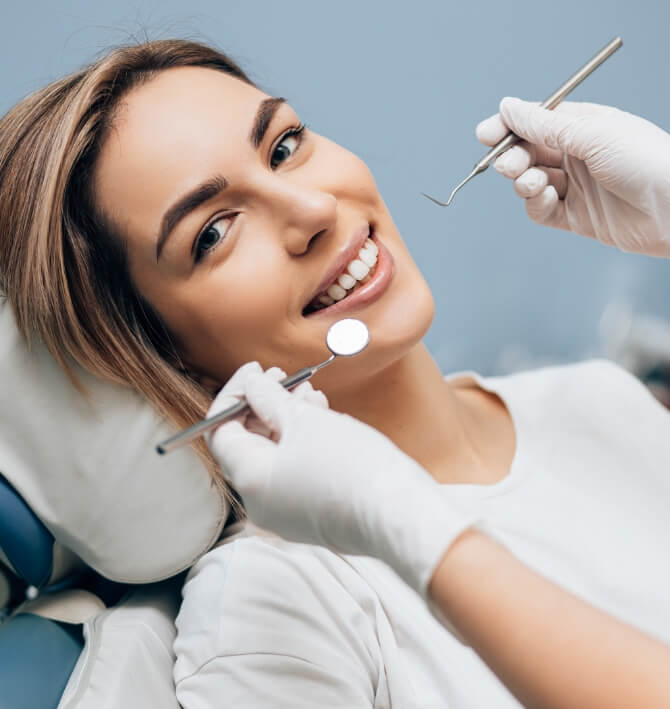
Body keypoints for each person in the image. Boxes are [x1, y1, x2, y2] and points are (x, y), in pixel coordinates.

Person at [0, 38, 669, 707]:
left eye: (284, 146)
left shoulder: (598, 398)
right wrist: (399, 518)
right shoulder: (273, 604)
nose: (315, 211)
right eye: (212, 233)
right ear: (162, 354)